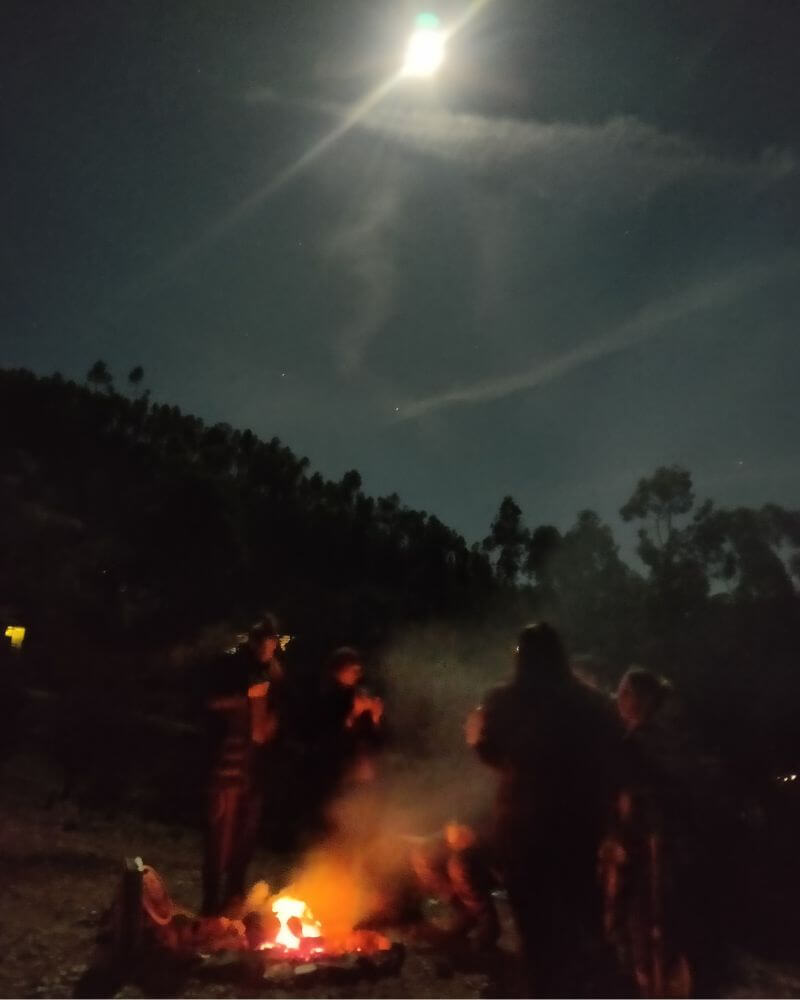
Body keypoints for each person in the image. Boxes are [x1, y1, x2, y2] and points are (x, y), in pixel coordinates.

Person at [467, 622, 622, 997]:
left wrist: (477, 742)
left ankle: (546, 986)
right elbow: (613, 754)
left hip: (524, 824)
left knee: (535, 925)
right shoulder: (591, 701)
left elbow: (493, 753)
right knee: (579, 915)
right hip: (579, 823)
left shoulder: (503, 700)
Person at [600, 668, 695, 998]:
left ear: (637, 700)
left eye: (624, 692)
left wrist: (616, 845)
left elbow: (629, 803)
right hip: (665, 852)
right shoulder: (667, 741)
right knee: (658, 932)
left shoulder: (636, 744)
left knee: (646, 931)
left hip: (644, 852)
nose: (618, 698)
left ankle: (653, 989)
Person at [200, 615, 282, 916]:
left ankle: (232, 900)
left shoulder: (275, 674)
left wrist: (273, 723)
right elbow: (210, 702)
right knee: (219, 840)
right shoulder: (231, 667)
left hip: (255, 770)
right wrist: (244, 699)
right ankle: (211, 905)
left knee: (244, 841)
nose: (266, 646)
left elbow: (279, 713)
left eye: (271, 641)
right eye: (262, 640)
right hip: (227, 767)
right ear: (252, 640)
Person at [409, 819, 500, 951]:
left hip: (475, 834)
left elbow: (471, 826)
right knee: (424, 858)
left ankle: (488, 925)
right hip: (450, 831)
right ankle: (466, 914)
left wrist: (462, 834)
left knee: (459, 867)